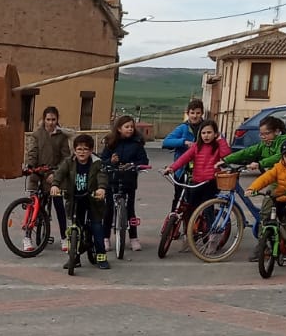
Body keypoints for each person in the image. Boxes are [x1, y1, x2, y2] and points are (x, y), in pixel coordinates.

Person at [222, 115, 286, 260]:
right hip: (273, 180)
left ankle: (267, 247)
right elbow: (248, 152)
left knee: (268, 213)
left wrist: (261, 163)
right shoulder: (265, 145)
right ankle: (268, 243)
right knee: (267, 212)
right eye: (261, 134)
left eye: (266, 133)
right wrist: (225, 160)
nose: (263, 137)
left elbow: (281, 156)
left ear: (277, 132)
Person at [49, 133, 108, 268]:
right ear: (74, 150)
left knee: (96, 227)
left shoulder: (97, 163)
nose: (82, 152)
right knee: (74, 228)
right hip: (75, 199)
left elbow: (102, 176)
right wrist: (55, 185)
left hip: (92, 200)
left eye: (86, 149)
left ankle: (101, 255)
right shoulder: (69, 162)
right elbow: (60, 173)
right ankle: (74, 257)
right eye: (79, 149)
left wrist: (101, 188)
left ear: (91, 150)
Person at [23, 105, 71, 249]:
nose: (50, 122)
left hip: (54, 175)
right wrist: (30, 167)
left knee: (58, 205)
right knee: (33, 207)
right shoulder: (37, 135)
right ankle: (27, 238)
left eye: (53, 119)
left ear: (57, 120)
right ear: (43, 120)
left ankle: (64, 237)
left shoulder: (61, 136)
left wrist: (56, 174)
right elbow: (32, 152)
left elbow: (66, 158)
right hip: (38, 174)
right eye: (48, 119)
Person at [100, 114, 150, 251]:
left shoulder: (137, 143)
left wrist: (134, 165)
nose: (130, 129)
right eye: (126, 127)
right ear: (119, 129)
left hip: (129, 179)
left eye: (132, 127)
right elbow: (102, 160)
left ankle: (133, 238)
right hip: (112, 179)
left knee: (130, 209)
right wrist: (111, 161)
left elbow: (144, 161)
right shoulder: (111, 142)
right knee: (109, 209)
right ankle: (105, 238)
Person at [163, 119, 230, 215]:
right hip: (197, 181)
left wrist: (221, 140)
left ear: (215, 134)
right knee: (191, 207)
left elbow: (226, 155)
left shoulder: (217, 146)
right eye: (203, 133)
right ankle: (190, 228)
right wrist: (172, 168)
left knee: (207, 207)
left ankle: (209, 228)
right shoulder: (196, 146)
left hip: (211, 182)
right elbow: (184, 158)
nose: (206, 135)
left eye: (209, 132)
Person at [161, 98, 206, 207]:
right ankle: (173, 221)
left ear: (202, 113)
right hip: (182, 169)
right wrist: (183, 142)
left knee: (200, 199)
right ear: (188, 113)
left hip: (201, 168)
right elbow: (166, 142)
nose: (195, 116)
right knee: (178, 198)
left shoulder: (207, 127)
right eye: (192, 113)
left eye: (198, 113)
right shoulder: (183, 128)